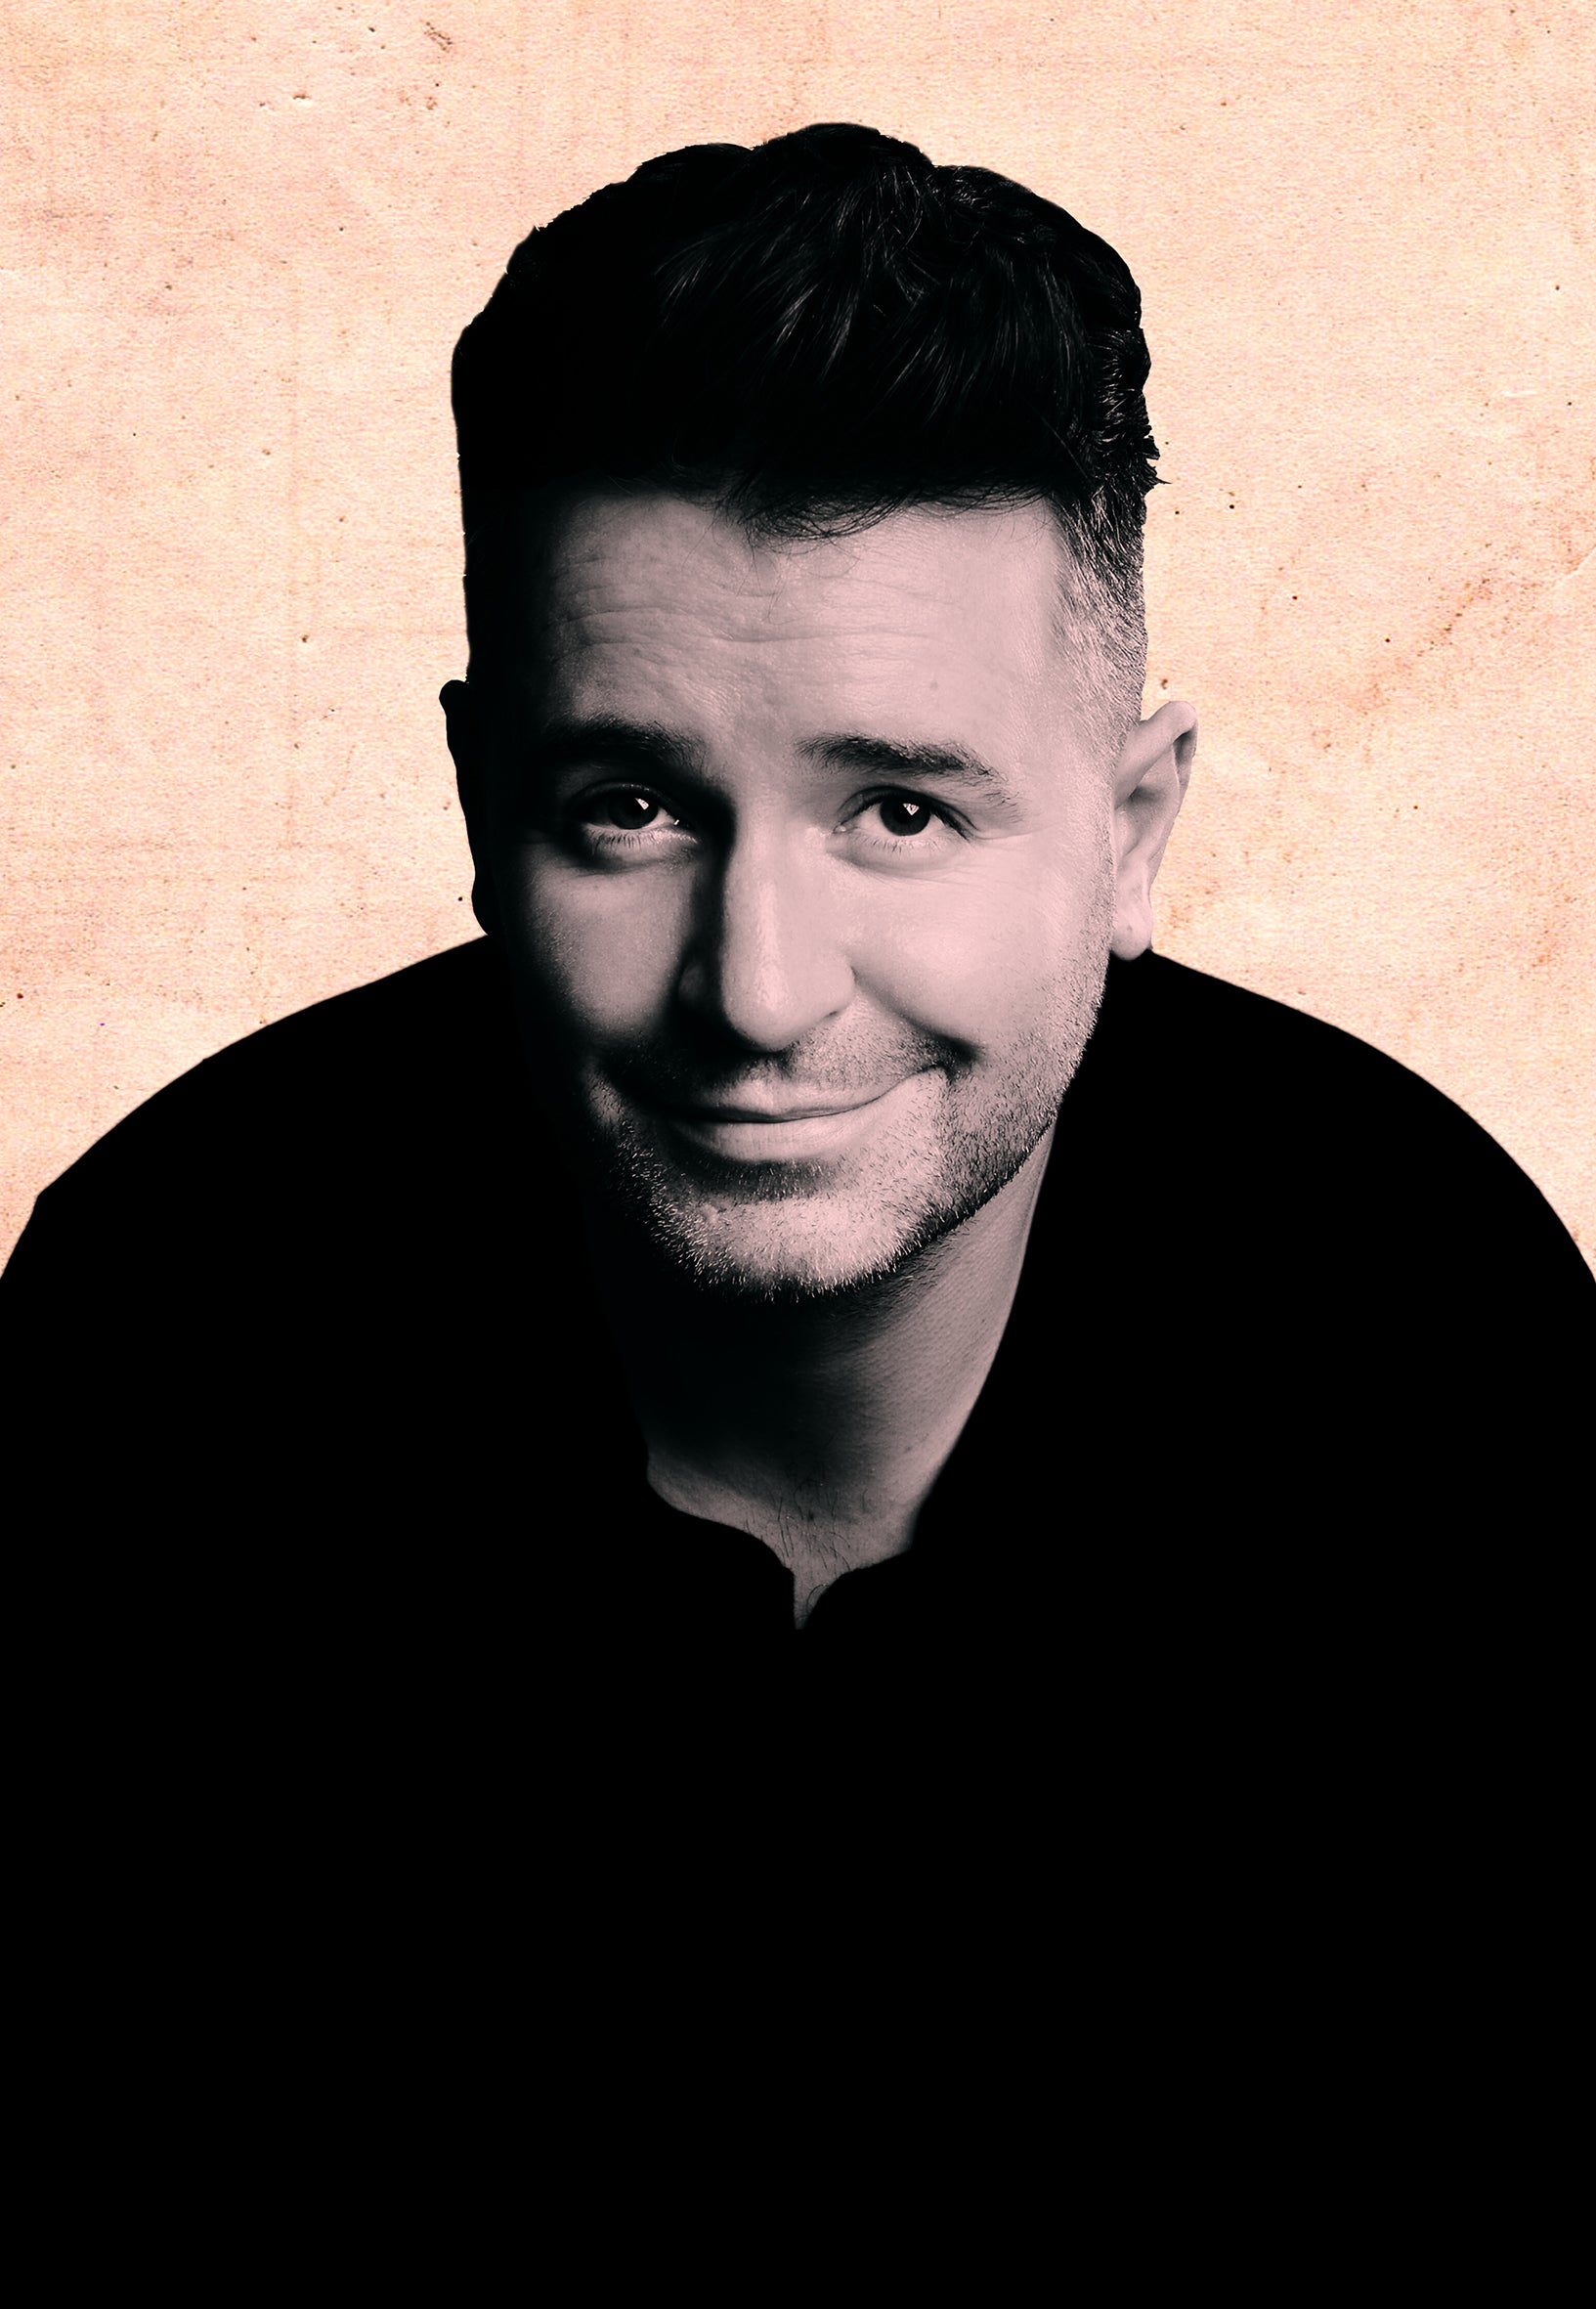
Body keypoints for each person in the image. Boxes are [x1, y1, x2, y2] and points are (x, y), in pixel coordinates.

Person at [5, 126, 1589, 1937]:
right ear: (478, 808)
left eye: (900, 811)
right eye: (627, 808)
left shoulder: (1445, 1337)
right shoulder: (154, 1318)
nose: (756, 993)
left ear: (1129, 832)